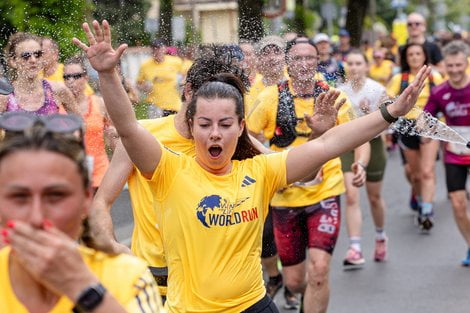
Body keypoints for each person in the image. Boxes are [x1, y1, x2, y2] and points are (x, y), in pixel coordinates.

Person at [73, 19, 428, 313]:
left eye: (226, 125)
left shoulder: (259, 170)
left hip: (253, 306)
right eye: (205, 125)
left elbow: (328, 144)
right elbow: (129, 128)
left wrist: (390, 113)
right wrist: (107, 74)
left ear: (241, 127)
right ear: (191, 125)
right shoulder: (169, 170)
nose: (215, 134)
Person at [87, 51, 252, 300]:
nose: (215, 114)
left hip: (211, 284)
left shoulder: (231, 144)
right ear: (188, 92)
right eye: (208, 99)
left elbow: (279, 170)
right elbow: (101, 203)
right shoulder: (143, 136)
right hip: (152, 281)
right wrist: (113, 247)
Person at [248, 37, 369, 313]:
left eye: (309, 59)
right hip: (285, 197)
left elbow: (360, 135)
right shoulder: (269, 98)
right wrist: (269, 168)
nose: (304, 64)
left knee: (320, 270)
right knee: (295, 280)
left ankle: (314, 299)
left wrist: (360, 164)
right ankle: (305, 295)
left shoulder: (333, 97)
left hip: (325, 193)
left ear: (318, 62)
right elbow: (249, 137)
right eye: (298, 59)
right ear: (288, 63)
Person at [0, 112, 164, 312]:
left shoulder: (126, 277)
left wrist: (84, 289)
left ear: (86, 200)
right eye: (19, 197)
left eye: (56, 196)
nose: (37, 217)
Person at [338, 50, 390, 268]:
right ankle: (355, 247)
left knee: (374, 197)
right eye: (350, 63)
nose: (354, 67)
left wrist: (373, 116)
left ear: (366, 66)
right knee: (351, 196)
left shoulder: (377, 90)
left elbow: (390, 120)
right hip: (348, 145)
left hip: (374, 144)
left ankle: (380, 236)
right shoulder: (339, 92)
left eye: (359, 63)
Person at [387, 43, 443, 230]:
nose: (414, 57)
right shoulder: (399, 78)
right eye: (410, 54)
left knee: (427, 171)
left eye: (418, 53)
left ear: (424, 56)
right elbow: (388, 102)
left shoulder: (434, 77)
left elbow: (442, 101)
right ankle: (419, 196)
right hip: (406, 128)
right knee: (415, 174)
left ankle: (426, 210)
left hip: (429, 126)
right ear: (406, 58)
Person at [423, 40, 470, 266]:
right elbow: (426, 117)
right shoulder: (440, 91)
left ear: (466, 63)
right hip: (454, 155)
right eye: (450, 66)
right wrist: (425, 130)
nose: (454, 70)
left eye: (458, 65)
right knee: (458, 205)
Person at [63, 56, 114, 192]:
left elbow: (113, 137)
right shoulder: (57, 107)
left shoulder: (99, 103)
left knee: (98, 212)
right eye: (66, 77)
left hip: (99, 172)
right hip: (68, 174)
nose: (71, 81)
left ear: (86, 78)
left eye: (76, 76)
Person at [0, 32, 78, 115]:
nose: (33, 60)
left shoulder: (57, 90)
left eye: (37, 54)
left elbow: (80, 124)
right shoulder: (5, 97)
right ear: (13, 61)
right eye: (26, 56)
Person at [136, 38, 184, 118]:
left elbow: (186, 75)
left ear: (164, 49)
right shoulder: (145, 65)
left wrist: (181, 83)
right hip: (155, 105)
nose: (157, 51)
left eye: (159, 48)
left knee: (173, 129)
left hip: (174, 104)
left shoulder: (176, 61)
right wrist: (145, 87)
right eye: (154, 49)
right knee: (156, 129)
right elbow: (138, 83)